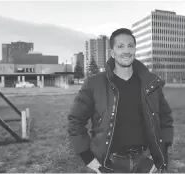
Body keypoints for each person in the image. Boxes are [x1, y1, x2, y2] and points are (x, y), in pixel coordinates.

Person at [68, 28, 174, 173]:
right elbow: (75, 120)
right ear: (112, 53)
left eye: (130, 45)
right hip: (108, 163)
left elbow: (166, 119)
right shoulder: (94, 83)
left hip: (144, 162)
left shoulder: (150, 83)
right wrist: (88, 158)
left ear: (135, 49)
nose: (126, 50)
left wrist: (161, 155)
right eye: (121, 46)